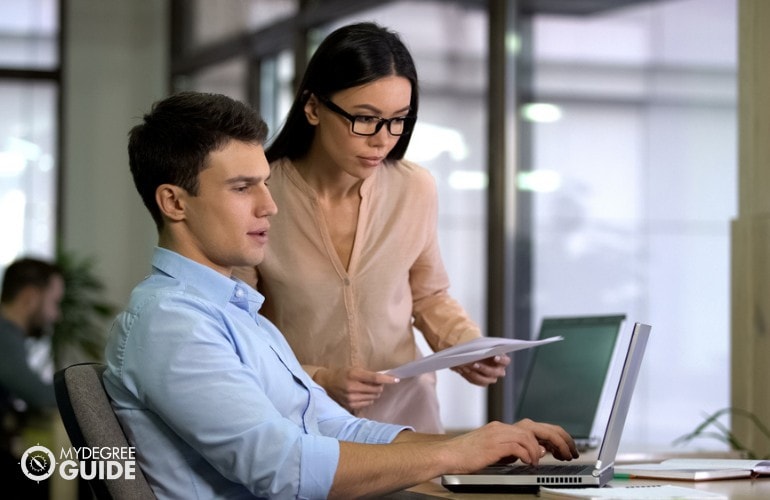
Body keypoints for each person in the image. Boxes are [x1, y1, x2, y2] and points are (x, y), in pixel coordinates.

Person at [104, 90, 579, 499]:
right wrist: (454, 453)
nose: (269, 206)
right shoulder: (171, 323)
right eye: (243, 187)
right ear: (174, 202)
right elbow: (281, 467)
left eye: (265, 184)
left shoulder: (239, 315)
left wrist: (480, 444)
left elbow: (338, 428)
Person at [238, 21, 508, 433]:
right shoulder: (260, 196)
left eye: (398, 119)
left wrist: (466, 347)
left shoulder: (414, 188)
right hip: (302, 421)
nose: (383, 140)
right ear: (313, 108)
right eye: (364, 119)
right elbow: (239, 327)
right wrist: (319, 378)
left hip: (407, 420)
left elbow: (429, 295)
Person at [0, 256, 64, 496]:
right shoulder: (4, 336)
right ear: (30, 297)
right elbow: (38, 393)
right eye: (54, 302)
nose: (56, 316)